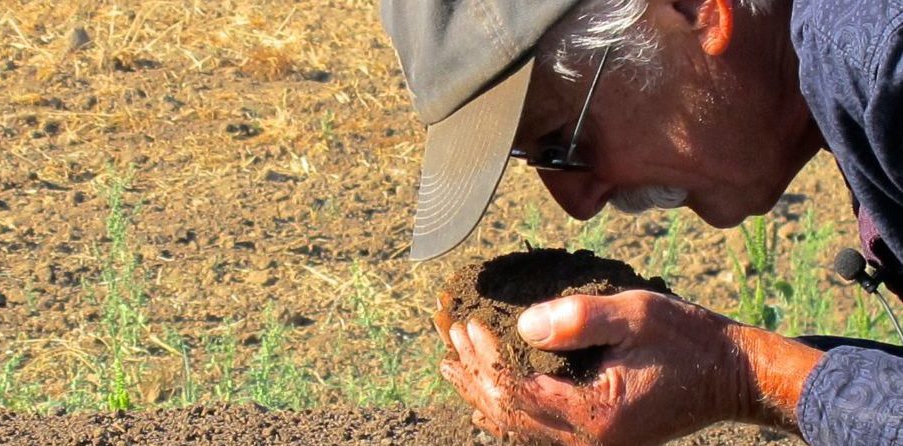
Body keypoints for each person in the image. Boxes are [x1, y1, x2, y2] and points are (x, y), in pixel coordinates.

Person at [381, 0, 903, 444]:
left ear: (697, 11)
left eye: (565, 144)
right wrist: (761, 372)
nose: (576, 204)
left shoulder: (884, 57)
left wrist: (742, 373)